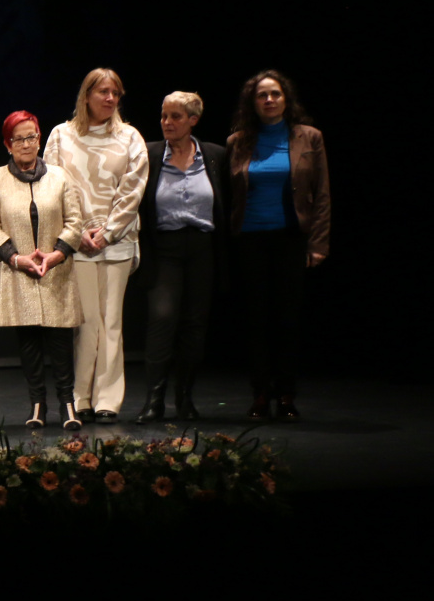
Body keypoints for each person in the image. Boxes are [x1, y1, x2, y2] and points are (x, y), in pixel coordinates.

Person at [42, 68, 148, 423]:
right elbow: (54, 186)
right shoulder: (61, 135)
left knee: (112, 321)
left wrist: (109, 231)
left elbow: (132, 190)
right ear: (86, 95)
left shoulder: (131, 137)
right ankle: (80, 396)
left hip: (116, 242)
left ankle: (108, 399)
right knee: (86, 323)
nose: (110, 98)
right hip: (79, 242)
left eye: (115, 93)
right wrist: (83, 230)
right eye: (102, 91)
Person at [227, 70, 329, 421]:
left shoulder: (309, 137)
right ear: (252, 102)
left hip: (290, 238)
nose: (269, 100)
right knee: (255, 321)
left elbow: (322, 194)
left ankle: (286, 395)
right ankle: (260, 395)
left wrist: (318, 244)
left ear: (286, 99)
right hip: (250, 239)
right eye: (262, 95)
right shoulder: (238, 141)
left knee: (286, 320)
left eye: (275, 94)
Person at [0, 111, 85, 431]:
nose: (26, 144)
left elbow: (75, 222)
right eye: (19, 139)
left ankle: (68, 404)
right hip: (18, 272)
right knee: (28, 342)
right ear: (7, 144)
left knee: (60, 341)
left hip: (56, 270)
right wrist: (17, 259)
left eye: (32, 137)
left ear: (39, 139)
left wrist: (56, 255)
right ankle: (37, 404)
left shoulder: (60, 176)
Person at [135, 91, 229, 424]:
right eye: (163, 116)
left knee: (194, 326)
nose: (167, 123)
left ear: (193, 120)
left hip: (202, 248)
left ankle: (185, 398)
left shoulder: (216, 156)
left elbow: (226, 205)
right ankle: (154, 400)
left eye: (175, 117)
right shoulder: (149, 154)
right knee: (162, 321)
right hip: (165, 249)